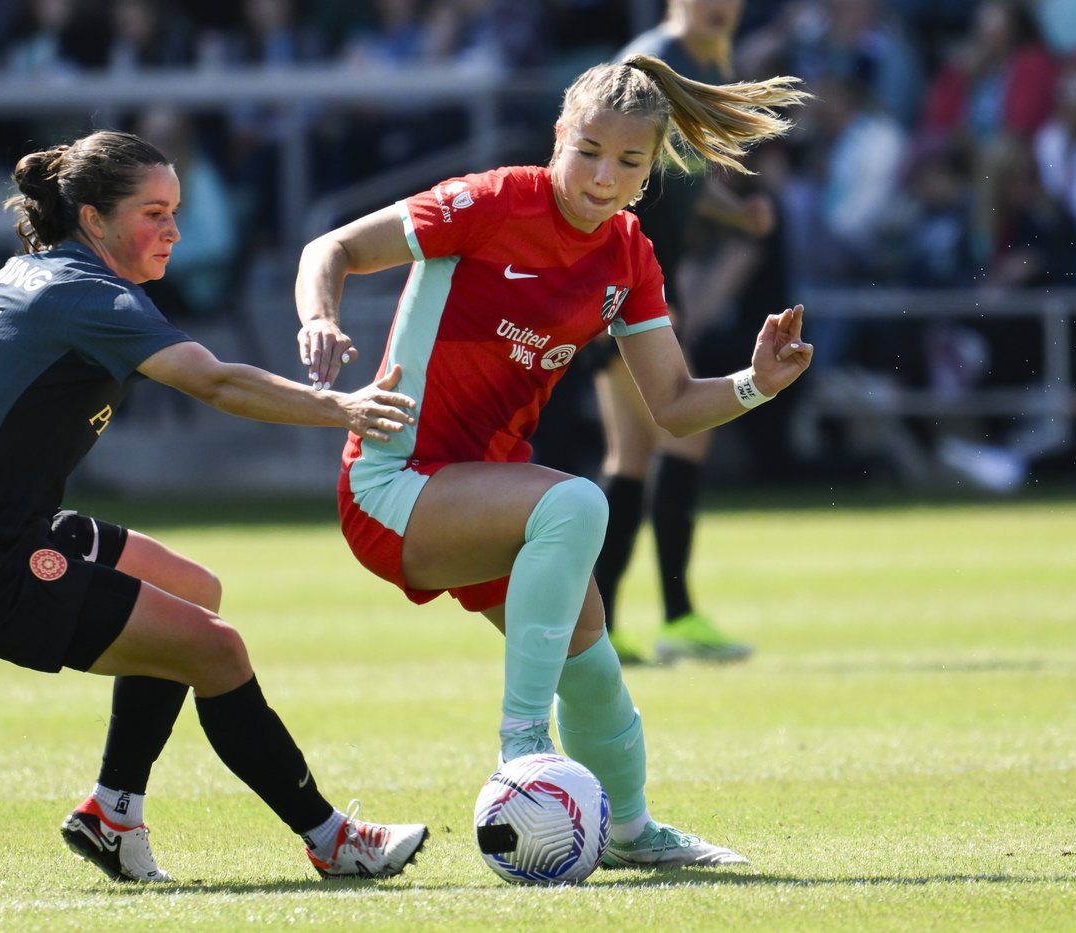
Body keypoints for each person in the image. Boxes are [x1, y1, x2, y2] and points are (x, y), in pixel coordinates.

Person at [0, 130, 428, 884]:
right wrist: (342, 408)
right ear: (94, 221)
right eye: (154, 212)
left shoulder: (25, 278)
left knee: (195, 592)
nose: (175, 231)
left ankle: (112, 814)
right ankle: (331, 838)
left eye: (175, 210)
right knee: (215, 649)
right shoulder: (91, 297)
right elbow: (214, 382)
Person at [294, 55, 811, 868]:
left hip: (481, 497)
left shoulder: (628, 255)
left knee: (593, 659)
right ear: (557, 138)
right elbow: (331, 248)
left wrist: (756, 383)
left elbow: (673, 404)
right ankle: (523, 753)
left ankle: (634, 832)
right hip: (393, 485)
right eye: (589, 151)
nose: (604, 177)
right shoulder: (493, 201)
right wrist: (320, 319)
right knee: (576, 503)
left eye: (629, 162)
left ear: (652, 169)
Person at [574, 0, 785, 665]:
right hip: (628, 294)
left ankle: (604, 628)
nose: (721, 6)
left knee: (630, 458)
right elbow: (608, 174)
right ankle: (678, 616)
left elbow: (674, 181)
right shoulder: (653, 64)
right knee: (686, 437)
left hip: (641, 289)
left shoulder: (695, 63)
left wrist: (731, 214)